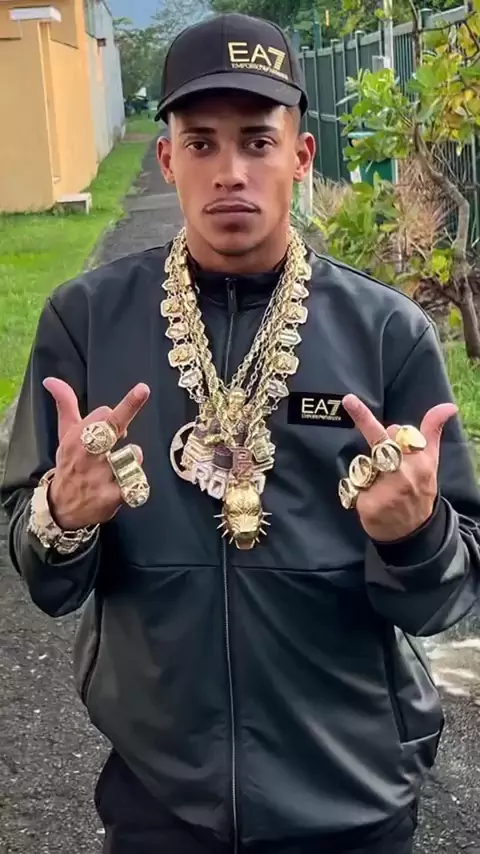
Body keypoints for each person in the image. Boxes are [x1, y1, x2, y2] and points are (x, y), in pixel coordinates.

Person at [1, 11, 480, 854]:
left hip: (352, 794)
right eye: (201, 143)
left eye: (258, 142)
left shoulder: (385, 333)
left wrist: (416, 535)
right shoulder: (87, 322)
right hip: (159, 800)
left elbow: (447, 593)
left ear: (301, 155)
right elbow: (43, 579)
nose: (230, 172)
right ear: (166, 159)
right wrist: (61, 517)